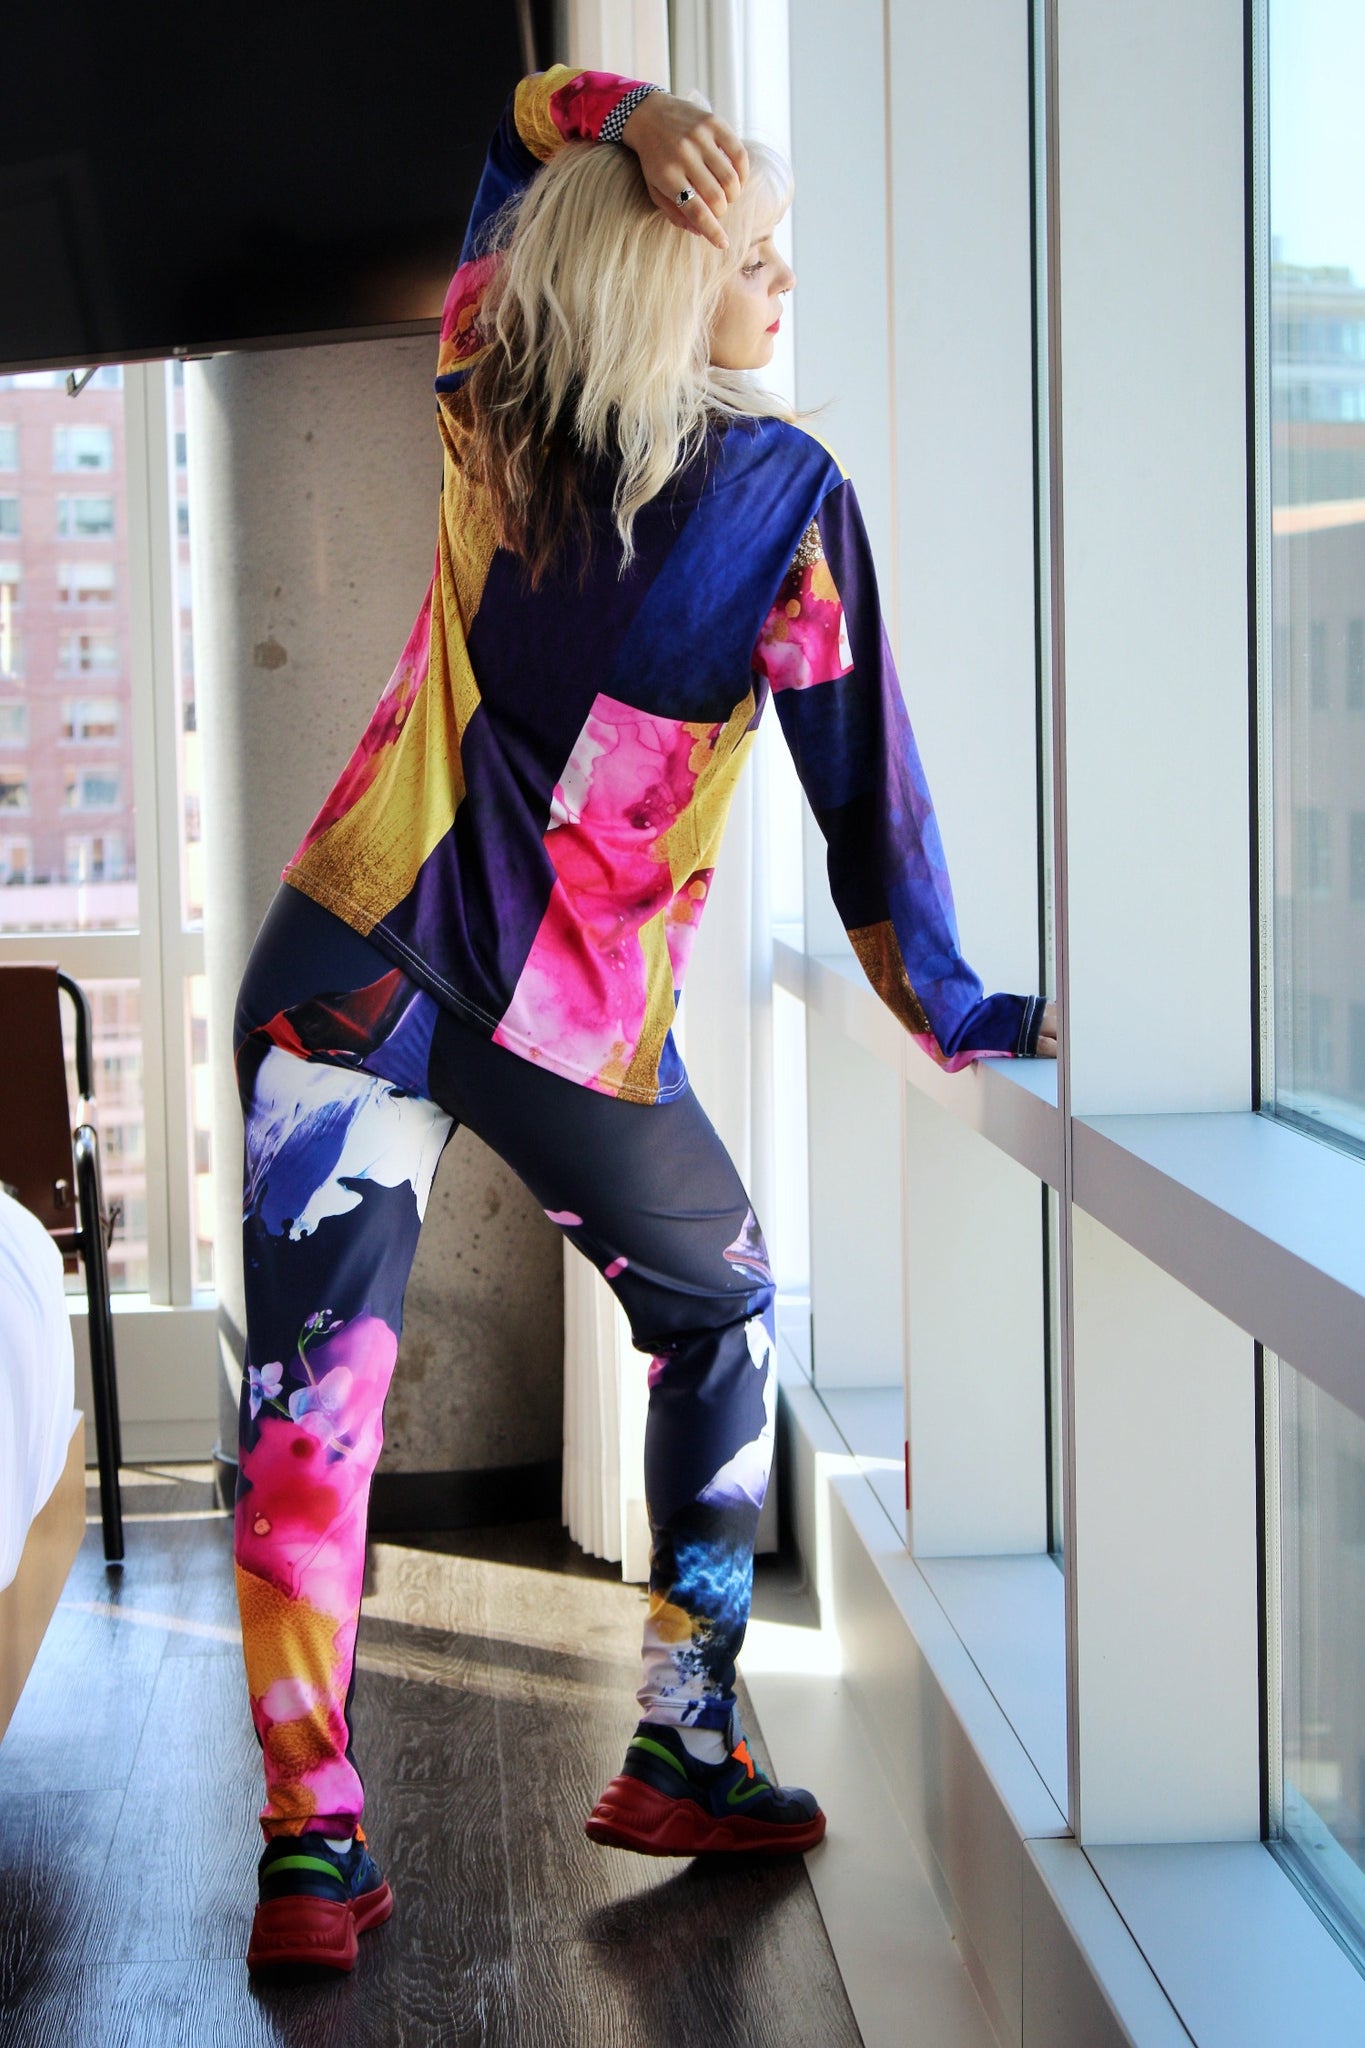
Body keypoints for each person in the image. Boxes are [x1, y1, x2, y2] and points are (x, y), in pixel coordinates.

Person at [232, 64, 1058, 1976]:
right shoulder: (786, 501)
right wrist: (945, 1001)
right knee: (719, 1313)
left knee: (307, 1422)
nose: (781, 284)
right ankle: (687, 1742)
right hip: (559, 1019)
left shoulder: (484, 389)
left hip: (342, 959)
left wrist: (619, 114)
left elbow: (504, 144)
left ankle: (307, 1853)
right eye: (750, 254)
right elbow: (865, 800)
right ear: (662, 273)